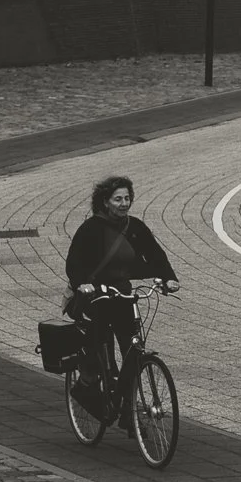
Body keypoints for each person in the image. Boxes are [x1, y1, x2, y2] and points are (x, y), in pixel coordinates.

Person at [65, 175, 178, 426]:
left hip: (123, 295)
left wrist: (168, 279)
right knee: (98, 346)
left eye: (127, 198)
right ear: (105, 202)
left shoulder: (135, 227)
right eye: (118, 199)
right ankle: (92, 384)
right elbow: (75, 262)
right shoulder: (91, 229)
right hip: (96, 296)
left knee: (132, 349)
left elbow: (155, 255)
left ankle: (128, 408)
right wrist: (81, 284)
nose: (124, 203)